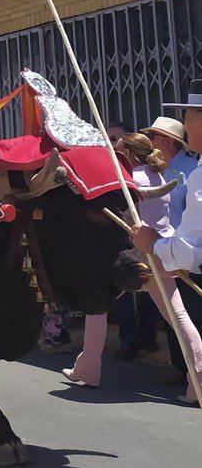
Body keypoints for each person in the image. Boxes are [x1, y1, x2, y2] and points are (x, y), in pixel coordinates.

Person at [131, 81, 202, 468]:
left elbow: (194, 248)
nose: (188, 122)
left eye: (191, 115)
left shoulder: (197, 178)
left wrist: (153, 244)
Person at [63, 132, 171, 387]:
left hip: (132, 259)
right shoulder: (157, 175)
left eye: (119, 149)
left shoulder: (130, 181)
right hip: (162, 255)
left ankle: (89, 369)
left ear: (129, 154)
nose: (114, 153)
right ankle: (196, 381)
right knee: (176, 319)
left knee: (96, 308)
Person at [142, 115, 202, 384]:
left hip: (182, 249)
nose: (148, 141)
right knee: (175, 311)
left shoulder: (192, 169)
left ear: (167, 142)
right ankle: (182, 367)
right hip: (170, 249)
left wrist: (157, 244)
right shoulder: (151, 169)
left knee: (188, 312)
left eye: (152, 137)